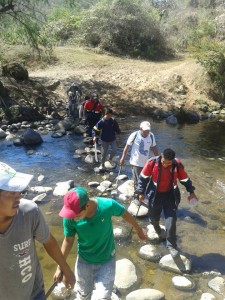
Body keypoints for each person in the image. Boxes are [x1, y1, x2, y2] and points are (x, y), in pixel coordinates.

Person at [54, 187, 147, 300]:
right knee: (83, 295)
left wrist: (139, 230)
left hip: (107, 260)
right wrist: (60, 267)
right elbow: (68, 241)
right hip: (84, 260)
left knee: (103, 297)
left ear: (87, 206)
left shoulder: (107, 205)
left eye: (76, 215)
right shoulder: (69, 218)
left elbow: (124, 213)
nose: (73, 217)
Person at [0, 162, 75, 300]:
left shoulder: (29, 212)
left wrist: (65, 269)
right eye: (11, 192)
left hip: (34, 292)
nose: (19, 196)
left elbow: (49, 241)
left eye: (18, 190)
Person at [137, 148, 198, 258]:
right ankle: (159, 230)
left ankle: (171, 245)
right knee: (153, 219)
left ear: (173, 160)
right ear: (161, 156)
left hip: (170, 196)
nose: (165, 165)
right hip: (155, 196)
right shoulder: (152, 163)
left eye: (168, 163)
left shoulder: (177, 165)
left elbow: (184, 179)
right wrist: (140, 192)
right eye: (164, 161)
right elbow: (143, 178)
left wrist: (191, 192)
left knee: (171, 220)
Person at [120, 121, 158, 203]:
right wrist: (123, 158)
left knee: (145, 180)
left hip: (146, 163)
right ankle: (136, 197)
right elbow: (126, 147)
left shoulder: (151, 136)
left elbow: (154, 148)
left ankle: (142, 194)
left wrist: (157, 160)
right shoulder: (134, 135)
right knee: (137, 181)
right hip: (135, 162)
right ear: (141, 129)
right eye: (145, 131)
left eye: (148, 130)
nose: (147, 132)